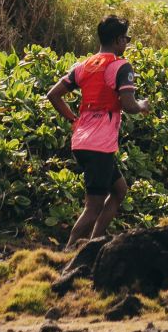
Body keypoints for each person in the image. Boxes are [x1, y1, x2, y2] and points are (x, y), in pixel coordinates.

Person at [45, 15, 152, 249]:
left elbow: (53, 95)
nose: (127, 42)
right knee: (92, 207)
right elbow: (129, 105)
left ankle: (95, 243)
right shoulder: (121, 66)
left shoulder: (84, 66)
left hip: (81, 142)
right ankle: (69, 251)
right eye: (126, 38)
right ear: (117, 41)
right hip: (99, 145)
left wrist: (73, 119)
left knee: (119, 190)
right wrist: (143, 105)